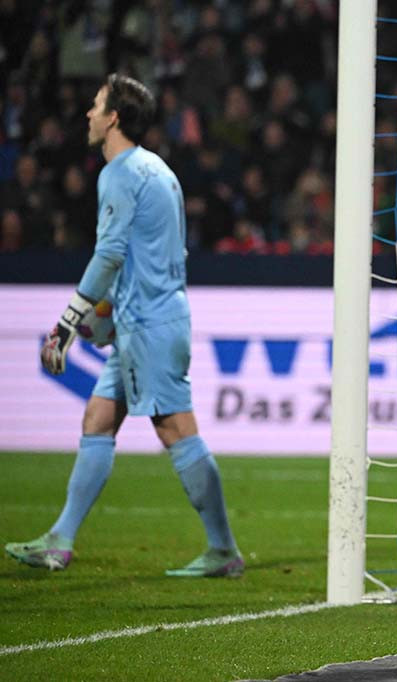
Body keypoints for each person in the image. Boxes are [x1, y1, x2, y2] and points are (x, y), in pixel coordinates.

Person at [4, 74, 244, 578]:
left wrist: (70, 321)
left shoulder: (118, 173)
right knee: (98, 418)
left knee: (175, 428)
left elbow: (110, 254)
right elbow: (151, 255)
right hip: (148, 320)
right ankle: (60, 540)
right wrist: (110, 314)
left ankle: (223, 549)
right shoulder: (159, 170)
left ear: (113, 117)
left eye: (95, 106)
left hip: (151, 327)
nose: (88, 114)